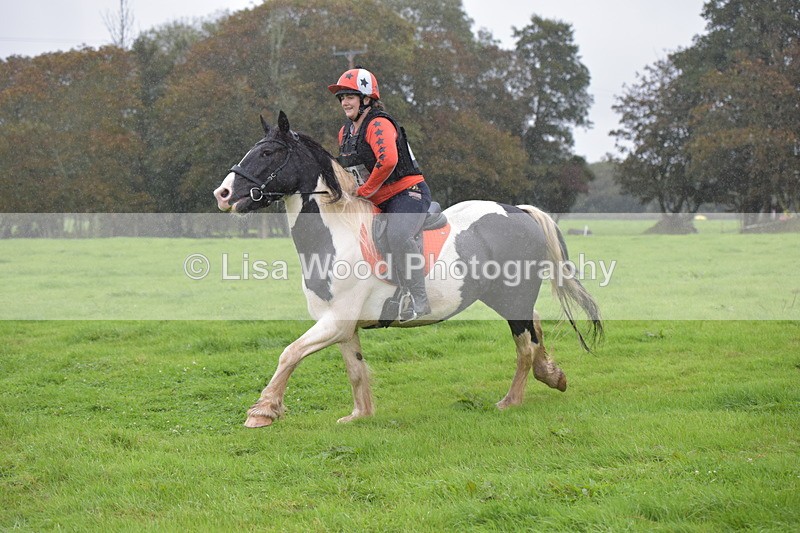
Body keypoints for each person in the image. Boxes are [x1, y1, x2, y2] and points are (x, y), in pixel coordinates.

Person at [328, 67, 431, 321]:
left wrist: (363, 191)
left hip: (408, 193)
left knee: (397, 234)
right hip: (376, 198)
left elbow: (387, 161)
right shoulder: (345, 132)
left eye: (349, 96)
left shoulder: (379, 123)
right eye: (341, 97)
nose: (344, 102)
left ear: (366, 99)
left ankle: (419, 298)